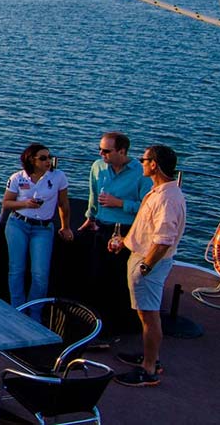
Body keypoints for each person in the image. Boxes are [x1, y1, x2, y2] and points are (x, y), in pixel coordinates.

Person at [115, 144, 187, 388]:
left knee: (149, 316)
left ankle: (149, 369)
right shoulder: (161, 191)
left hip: (148, 264)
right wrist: (124, 243)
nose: (141, 162)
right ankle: (150, 356)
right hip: (143, 257)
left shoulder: (166, 198)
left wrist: (145, 267)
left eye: (144, 159)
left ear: (154, 164)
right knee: (145, 313)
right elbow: (147, 229)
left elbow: (163, 240)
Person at [82, 131, 153, 339]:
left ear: (122, 151)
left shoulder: (140, 173)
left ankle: (121, 326)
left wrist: (120, 204)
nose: (101, 154)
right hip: (102, 228)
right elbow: (93, 194)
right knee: (97, 275)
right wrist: (90, 217)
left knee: (122, 279)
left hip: (127, 231)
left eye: (106, 150)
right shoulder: (98, 167)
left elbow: (147, 208)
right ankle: (96, 324)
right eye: (100, 150)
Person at [2, 142, 73, 308]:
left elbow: (63, 204)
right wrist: (26, 204)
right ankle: (17, 308)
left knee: (40, 273)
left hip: (43, 228)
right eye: (43, 158)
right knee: (16, 269)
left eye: (49, 157)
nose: (48, 161)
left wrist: (66, 226)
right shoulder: (17, 178)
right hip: (18, 224)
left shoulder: (58, 177)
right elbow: (6, 203)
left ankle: (35, 311)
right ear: (31, 160)